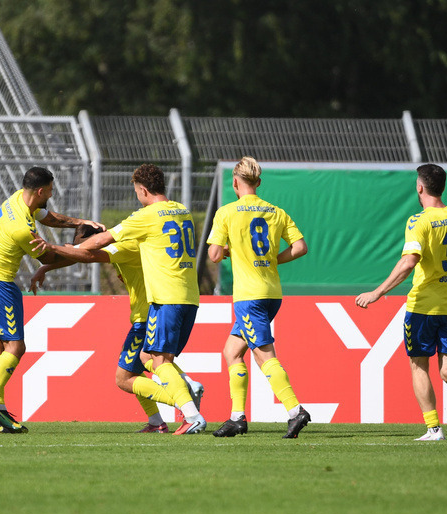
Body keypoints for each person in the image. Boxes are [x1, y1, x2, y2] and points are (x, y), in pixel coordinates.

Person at [33, 163, 206, 435]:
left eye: (137, 191)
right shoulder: (181, 211)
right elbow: (94, 252)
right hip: (186, 296)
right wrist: (51, 265)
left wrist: (56, 249)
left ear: (144, 190)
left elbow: (94, 249)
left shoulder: (141, 225)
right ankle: (161, 416)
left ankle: (186, 400)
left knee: (129, 375)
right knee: (149, 360)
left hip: (152, 308)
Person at [355, 163, 447, 441]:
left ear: (420, 187)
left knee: (419, 365)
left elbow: (409, 261)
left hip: (423, 308)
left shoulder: (418, 221)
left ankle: (434, 429)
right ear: (442, 187)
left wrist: (378, 292)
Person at [0, 166, 104, 434]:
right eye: (50, 191)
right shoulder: (20, 227)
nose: (52, 195)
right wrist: (81, 249)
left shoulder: (18, 199)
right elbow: (48, 258)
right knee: (16, 348)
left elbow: (48, 217)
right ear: (41, 190)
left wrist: (79, 223)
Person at [206, 157, 311, 438]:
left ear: (235, 182)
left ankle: (295, 410)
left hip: (248, 296)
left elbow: (214, 255)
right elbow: (300, 247)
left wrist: (229, 251)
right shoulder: (275, 212)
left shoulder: (227, 212)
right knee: (231, 352)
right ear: (259, 183)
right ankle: (237, 417)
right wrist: (273, 260)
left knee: (264, 356)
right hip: (272, 293)